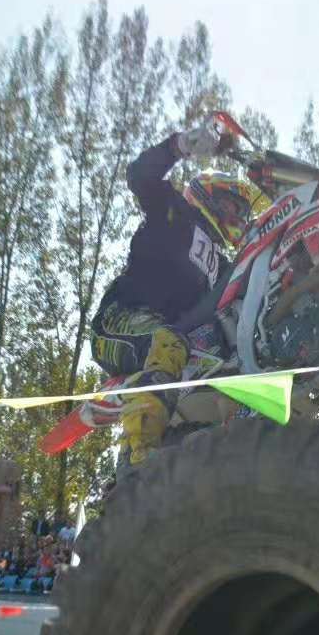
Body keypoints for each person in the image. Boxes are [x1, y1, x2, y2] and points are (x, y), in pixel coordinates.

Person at [83, 123, 271, 467]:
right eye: (233, 207)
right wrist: (181, 145)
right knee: (168, 342)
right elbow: (140, 176)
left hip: (178, 343)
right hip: (118, 321)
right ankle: (141, 459)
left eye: (244, 213)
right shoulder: (173, 212)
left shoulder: (225, 266)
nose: (240, 218)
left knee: (228, 360)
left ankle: (218, 448)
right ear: (209, 195)